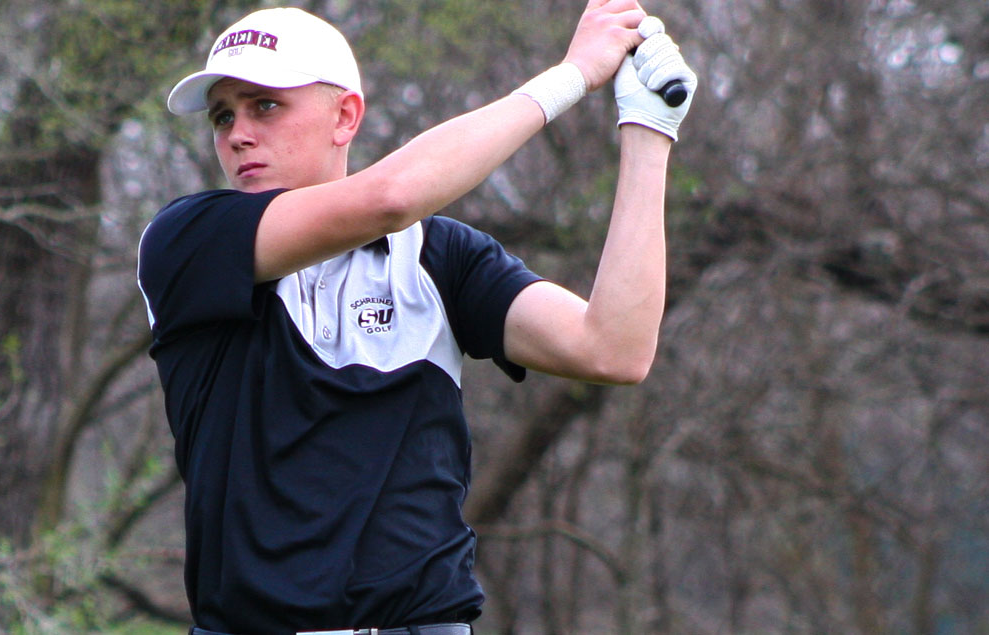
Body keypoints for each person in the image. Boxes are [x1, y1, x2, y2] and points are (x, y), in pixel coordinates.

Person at [137, 2, 696, 633]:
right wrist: (571, 75)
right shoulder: (187, 242)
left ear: (345, 115)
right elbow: (390, 197)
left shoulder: (443, 257)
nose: (237, 133)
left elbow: (614, 349)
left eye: (265, 105)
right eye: (222, 115)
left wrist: (648, 128)